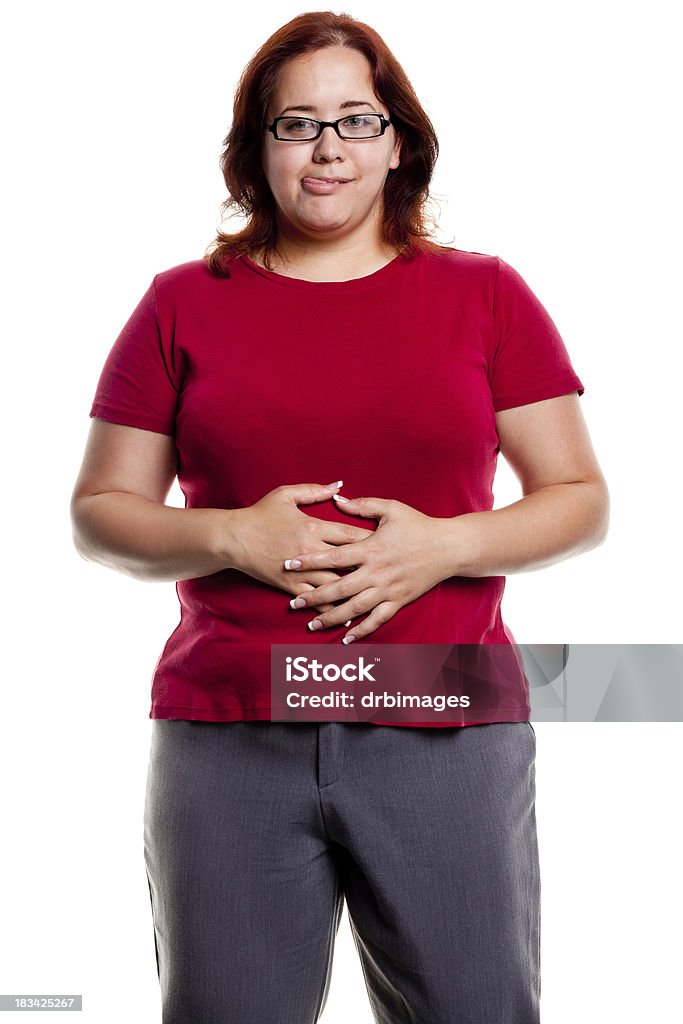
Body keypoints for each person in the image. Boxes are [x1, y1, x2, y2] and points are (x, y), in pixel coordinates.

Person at [70, 11, 609, 1024]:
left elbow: (577, 498)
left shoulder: (484, 295)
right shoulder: (180, 303)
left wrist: (444, 545)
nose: (327, 149)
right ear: (254, 149)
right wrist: (230, 533)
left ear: (396, 142)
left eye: (355, 121)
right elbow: (101, 511)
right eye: (295, 124)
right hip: (228, 732)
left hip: (444, 719)